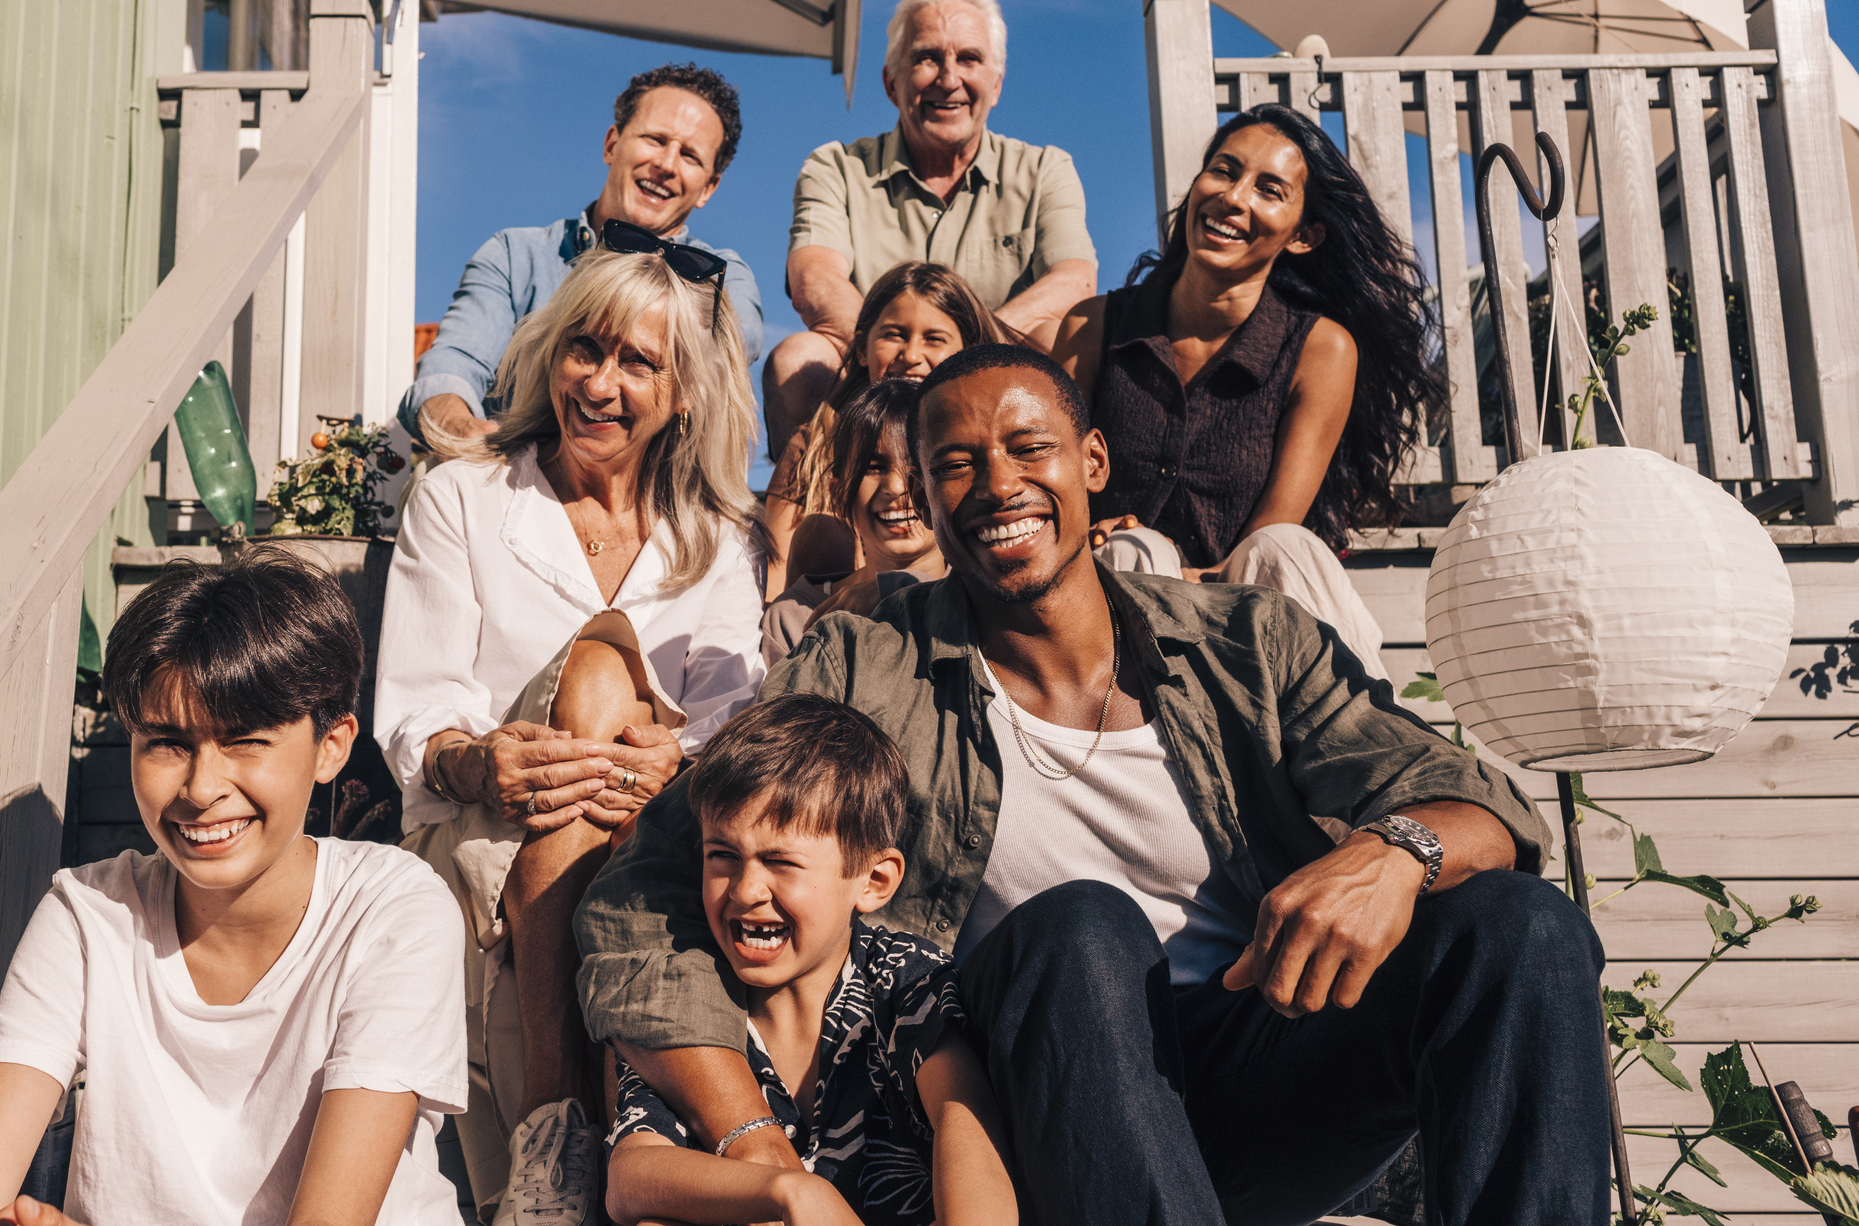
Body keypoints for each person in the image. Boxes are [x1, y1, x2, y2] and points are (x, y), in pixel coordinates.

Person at [578, 345, 1612, 1226]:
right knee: (1079, 926)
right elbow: (648, 886)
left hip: (1264, 1057)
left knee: (1519, 925)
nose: (996, 485)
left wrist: (1397, 850)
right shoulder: (865, 663)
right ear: (928, 498)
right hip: (1042, 1092)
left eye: (1027, 448)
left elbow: (1473, 799)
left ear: (1091, 460)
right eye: (955, 464)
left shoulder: (1244, 643)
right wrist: (753, 1140)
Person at [376, 242, 767, 1226]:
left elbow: (730, 708)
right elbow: (417, 705)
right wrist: (480, 756)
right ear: (548, 354)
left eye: (637, 362)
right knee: (600, 664)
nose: (600, 382)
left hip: (649, 829)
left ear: (681, 392)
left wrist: (667, 758)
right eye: (583, 349)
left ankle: (552, 1139)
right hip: (485, 825)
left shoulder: (712, 537)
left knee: (609, 682)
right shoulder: (461, 497)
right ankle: (584, 1117)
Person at [0, 550, 467, 1226]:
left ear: (331, 746)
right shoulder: (88, 916)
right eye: (167, 743)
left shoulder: (394, 910)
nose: (201, 789)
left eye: (245, 741)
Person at [1045, 103, 1442, 679]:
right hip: (1108, 613)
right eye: (1225, 171)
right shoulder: (1094, 325)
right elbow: (1051, 483)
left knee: (1289, 547)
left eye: (1269, 190)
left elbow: (1259, 548)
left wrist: (1185, 580)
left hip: (1248, 620)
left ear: (1304, 236)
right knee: (1135, 551)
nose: (1234, 198)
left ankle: (1375, 744)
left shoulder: (1320, 349)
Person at [604, 693, 1017, 1226]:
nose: (747, 889)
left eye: (781, 861)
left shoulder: (902, 979)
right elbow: (632, 1175)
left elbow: (965, 1114)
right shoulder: (689, 998)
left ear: (874, 881)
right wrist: (793, 1191)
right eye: (722, 855)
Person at [764, 0, 1097, 459]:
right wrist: (895, 359)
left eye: (969, 58)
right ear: (891, 82)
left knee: (1060, 339)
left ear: (997, 84)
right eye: (926, 57)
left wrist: (961, 358)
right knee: (799, 357)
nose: (948, 78)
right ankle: (809, 523)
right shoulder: (836, 167)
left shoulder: (1046, 170)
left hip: (997, 389)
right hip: (869, 390)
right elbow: (814, 278)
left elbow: (1075, 281)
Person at [400, 63, 765, 450]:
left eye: (690, 155)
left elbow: (720, 362)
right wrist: (462, 429)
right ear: (612, 144)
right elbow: (454, 364)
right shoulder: (513, 256)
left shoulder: (723, 279)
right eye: (655, 139)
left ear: (708, 187)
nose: (666, 164)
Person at [763, 261, 1001, 598]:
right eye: (894, 335)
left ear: (967, 353)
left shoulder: (989, 443)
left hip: (961, 613)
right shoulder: (816, 442)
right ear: (862, 349)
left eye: (933, 339)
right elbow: (775, 574)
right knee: (821, 534)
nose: (911, 354)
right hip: (838, 620)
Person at [761, 379, 944, 667]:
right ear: (838, 493)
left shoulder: (985, 595)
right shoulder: (794, 616)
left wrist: (897, 591)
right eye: (873, 467)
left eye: (915, 464)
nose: (896, 487)